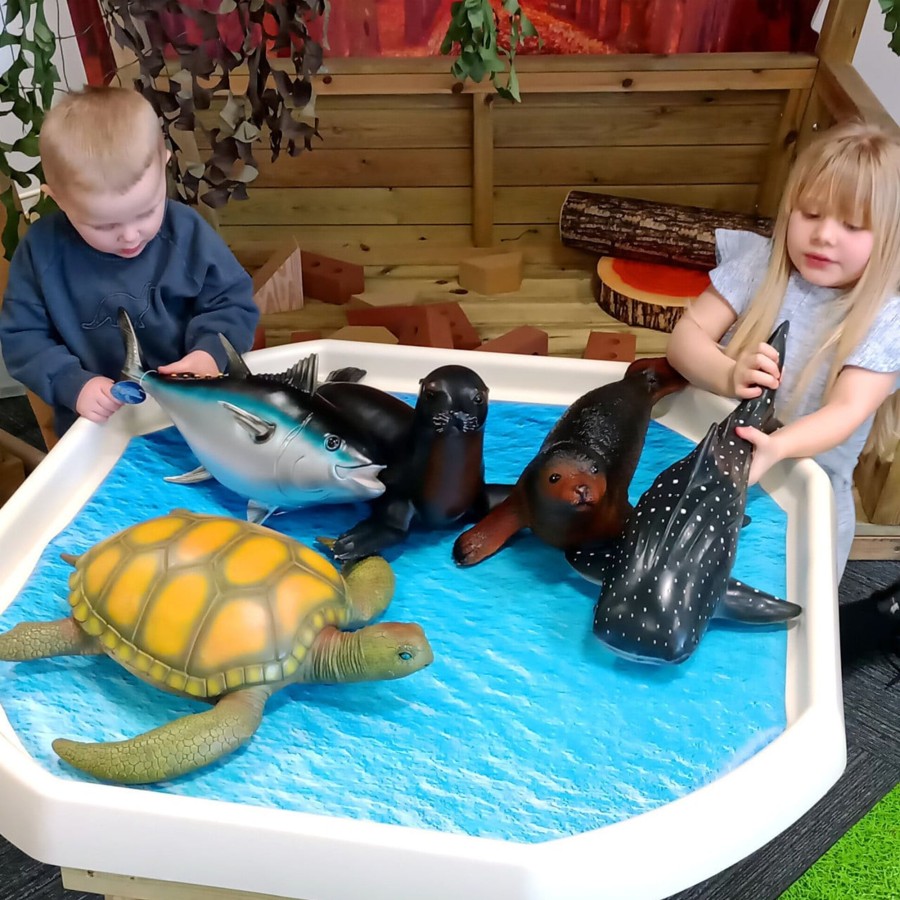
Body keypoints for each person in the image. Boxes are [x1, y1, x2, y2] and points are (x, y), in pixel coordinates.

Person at [666, 120, 900, 578]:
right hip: (711, 460)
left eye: (852, 225)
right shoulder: (760, 265)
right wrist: (728, 375)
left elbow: (846, 411)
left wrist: (778, 447)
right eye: (810, 214)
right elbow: (684, 339)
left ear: (890, 238)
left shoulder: (886, 317)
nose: (824, 235)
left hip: (806, 491)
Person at [0, 86, 259, 439]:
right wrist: (72, 383)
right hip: (102, 428)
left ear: (165, 164)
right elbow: (23, 339)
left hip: (199, 409)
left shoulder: (186, 233)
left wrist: (210, 353)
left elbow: (234, 303)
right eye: (104, 225)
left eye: (147, 211)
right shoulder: (41, 253)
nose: (131, 236)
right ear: (57, 199)